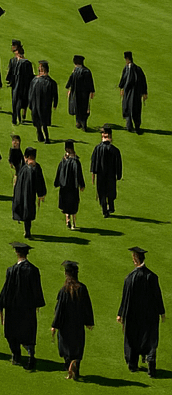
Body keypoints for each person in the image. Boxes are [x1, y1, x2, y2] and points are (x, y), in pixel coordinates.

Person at [0, 240, 46, 369]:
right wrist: (37, 303)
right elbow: (37, 289)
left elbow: (6, 290)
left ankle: (16, 355)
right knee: (28, 332)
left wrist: (1, 304)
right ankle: (30, 353)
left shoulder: (11, 270)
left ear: (16, 252)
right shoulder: (33, 270)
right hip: (28, 308)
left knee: (11, 333)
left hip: (13, 308)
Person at [119, 246, 165, 375]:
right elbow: (157, 295)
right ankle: (151, 362)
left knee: (132, 338)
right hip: (150, 314)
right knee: (150, 338)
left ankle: (133, 364)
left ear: (135, 259)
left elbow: (125, 298)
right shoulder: (152, 276)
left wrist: (121, 314)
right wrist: (161, 311)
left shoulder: (130, 278)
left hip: (133, 314)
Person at [52, 260, 95, 382]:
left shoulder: (64, 290)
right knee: (77, 347)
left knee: (65, 349)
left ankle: (69, 366)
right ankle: (76, 366)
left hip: (65, 326)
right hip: (78, 324)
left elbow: (59, 309)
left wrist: (54, 325)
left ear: (66, 274)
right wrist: (89, 322)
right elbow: (87, 306)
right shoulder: (82, 288)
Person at [13, 146, 48, 239]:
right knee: (28, 212)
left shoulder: (26, 167)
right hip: (30, 194)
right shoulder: (35, 167)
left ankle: (27, 231)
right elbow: (40, 181)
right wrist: (41, 193)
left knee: (25, 211)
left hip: (22, 193)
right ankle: (27, 231)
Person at [90, 126, 123, 217]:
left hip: (101, 175)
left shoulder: (97, 149)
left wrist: (93, 173)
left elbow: (94, 162)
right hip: (111, 175)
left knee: (102, 192)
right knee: (111, 191)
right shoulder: (115, 150)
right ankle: (111, 207)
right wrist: (119, 175)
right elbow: (118, 164)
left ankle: (105, 210)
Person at [55, 140, 86, 230]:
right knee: (73, 204)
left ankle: (67, 219)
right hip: (73, 186)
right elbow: (79, 173)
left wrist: (57, 182)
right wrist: (81, 184)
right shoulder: (75, 161)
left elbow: (59, 171)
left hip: (64, 186)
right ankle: (74, 223)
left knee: (65, 204)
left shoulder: (63, 160)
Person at [120, 50, 149, 134]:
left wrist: (122, 88)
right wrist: (144, 92)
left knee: (128, 107)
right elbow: (143, 81)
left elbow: (124, 79)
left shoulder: (127, 69)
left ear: (126, 59)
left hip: (130, 93)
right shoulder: (138, 69)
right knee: (136, 108)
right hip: (136, 93)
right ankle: (136, 126)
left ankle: (129, 126)